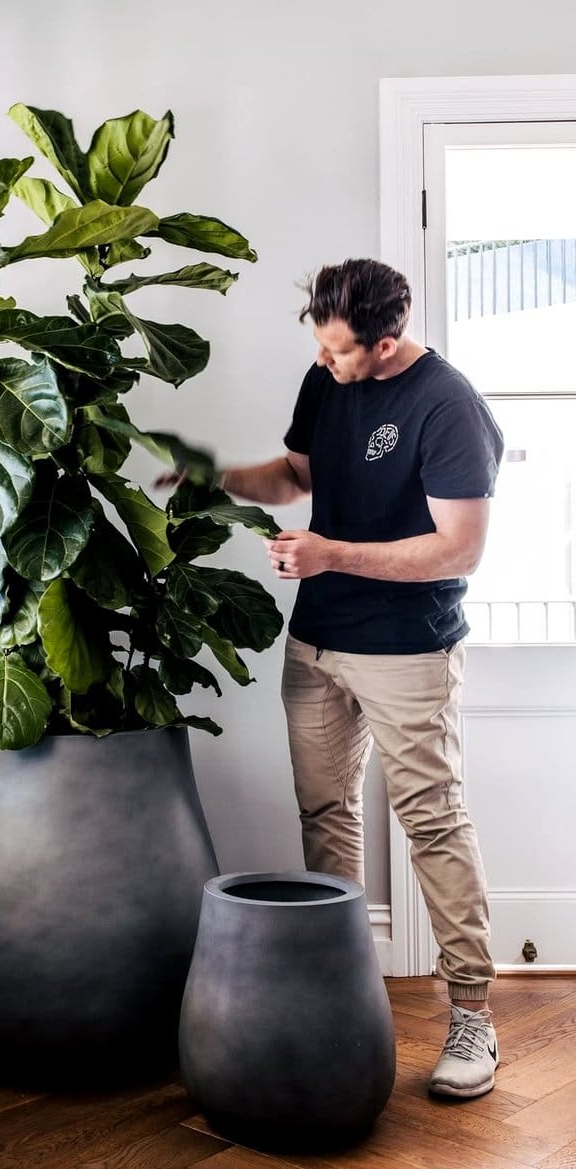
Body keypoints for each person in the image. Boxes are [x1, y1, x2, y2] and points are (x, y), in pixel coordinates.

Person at [214, 258, 504, 1099]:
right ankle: (339, 993)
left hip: (408, 649)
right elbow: (296, 476)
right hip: (316, 644)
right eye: (318, 344)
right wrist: (213, 476)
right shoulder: (325, 374)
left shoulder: (448, 408)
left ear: (385, 343)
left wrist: (328, 554)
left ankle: (471, 1018)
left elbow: (460, 550)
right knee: (325, 815)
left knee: (431, 821)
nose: (324, 363)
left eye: (339, 352)